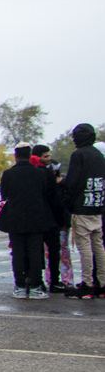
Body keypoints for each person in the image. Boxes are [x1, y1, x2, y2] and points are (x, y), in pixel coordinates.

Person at [0, 145, 54, 299]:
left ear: (16, 157)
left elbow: (4, 195)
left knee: (17, 252)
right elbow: (45, 192)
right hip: (36, 217)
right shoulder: (39, 173)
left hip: (15, 218)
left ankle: (20, 285)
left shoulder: (8, 174)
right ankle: (36, 285)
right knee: (35, 252)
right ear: (30, 156)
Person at [62, 123, 105, 299]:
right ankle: (102, 283)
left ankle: (87, 284)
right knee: (99, 246)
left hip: (82, 207)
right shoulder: (98, 155)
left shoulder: (79, 155)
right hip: (97, 204)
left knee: (84, 247)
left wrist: (67, 199)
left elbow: (72, 182)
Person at [32, 144, 66, 291]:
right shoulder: (46, 174)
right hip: (49, 219)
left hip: (38, 219)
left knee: (37, 251)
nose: (49, 159)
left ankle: (38, 280)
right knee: (53, 251)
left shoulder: (34, 173)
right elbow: (54, 197)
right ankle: (54, 280)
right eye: (45, 156)